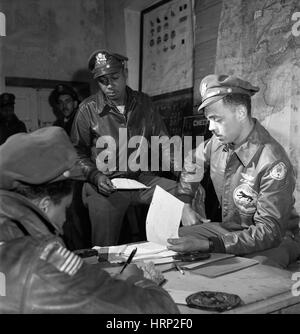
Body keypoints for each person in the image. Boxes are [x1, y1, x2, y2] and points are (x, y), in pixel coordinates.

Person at [0, 127, 179, 314]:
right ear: (44, 206)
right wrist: (137, 279)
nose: (63, 223)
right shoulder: (43, 261)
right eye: (65, 209)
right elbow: (163, 312)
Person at [168, 74, 300, 268]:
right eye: (208, 120)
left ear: (240, 113)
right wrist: (185, 202)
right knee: (174, 240)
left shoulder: (272, 161)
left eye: (216, 119)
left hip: (275, 238)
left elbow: (269, 231)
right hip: (232, 230)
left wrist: (209, 244)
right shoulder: (218, 143)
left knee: (250, 271)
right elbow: (193, 160)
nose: (211, 127)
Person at [71, 50, 178, 246]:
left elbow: (163, 141)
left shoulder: (144, 103)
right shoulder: (88, 109)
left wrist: (182, 172)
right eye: (103, 81)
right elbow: (77, 152)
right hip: (105, 185)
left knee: (181, 193)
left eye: (115, 77)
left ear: (125, 72)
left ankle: (173, 251)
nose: (110, 85)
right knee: (105, 248)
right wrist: (95, 175)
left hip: (139, 179)